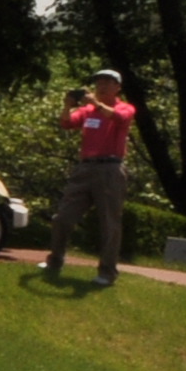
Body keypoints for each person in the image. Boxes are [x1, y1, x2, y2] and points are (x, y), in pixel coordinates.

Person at [42, 68, 139, 288]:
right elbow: (67, 123)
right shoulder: (87, 110)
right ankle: (55, 260)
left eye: (108, 82)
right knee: (63, 218)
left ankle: (107, 272)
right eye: (99, 82)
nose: (102, 86)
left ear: (117, 87)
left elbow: (119, 118)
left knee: (109, 223)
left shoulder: (124, 107)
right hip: (85, 168)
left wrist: (95, 103)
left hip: (110, 169)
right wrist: (67, 105)